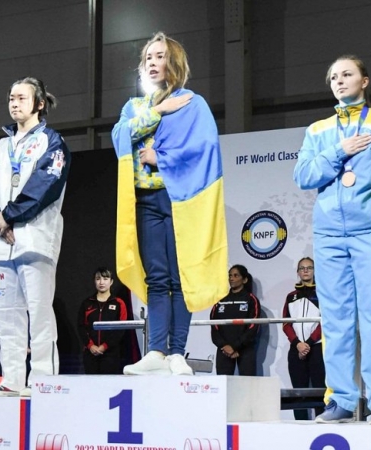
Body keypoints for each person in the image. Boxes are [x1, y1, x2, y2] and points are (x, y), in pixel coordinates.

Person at [293, 55, 371, 425]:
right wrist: (339, 150)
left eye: (347, 74)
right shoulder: (317, 131)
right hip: (328, 236)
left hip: (370, 233)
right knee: (336, 320)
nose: (339, 81)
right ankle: (341, 399)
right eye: (334, 77)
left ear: (365, 81)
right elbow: (303, 176)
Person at [111, 31, 228, 376]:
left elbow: (204, 149)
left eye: (159, 56)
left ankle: (177, 351)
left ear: (173, 62)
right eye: (148, 57)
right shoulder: (134, 107)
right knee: (157, 279)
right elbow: (120, 137)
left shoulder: (193, 103)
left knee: (180, 277)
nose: (152, 62)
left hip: (181, 200)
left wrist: (160, 158)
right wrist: (158, 111)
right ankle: (156, 351)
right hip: (145, 201)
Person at [0, 77, 71, 397]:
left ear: (39, 104)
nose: (14, 104)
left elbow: (45, 185)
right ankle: (12, 379)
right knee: (8, 318)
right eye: (11, 98)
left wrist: (9, 216)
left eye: (21, 98)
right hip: (0, 244)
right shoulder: (0, 148)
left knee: (40, 313)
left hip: (35, 240)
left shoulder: (52, 142)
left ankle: (42, 379)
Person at [281, 257, 325, 420]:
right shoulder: (291, 296)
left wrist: (308, 343)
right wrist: (297, 344)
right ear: (298, 272)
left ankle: (321, 423)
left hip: (317, 348)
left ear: (315, 271)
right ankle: (299, 426)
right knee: (298, 392)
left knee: (320, 391)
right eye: (302, 268)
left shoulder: (323, 294)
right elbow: (286, 324)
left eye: (309, 267)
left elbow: (326, 322)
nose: (306, 270)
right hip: (296, 349)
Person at [209, 265, 260, 376]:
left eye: (236, 276)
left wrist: (235, 346)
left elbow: (253, 326)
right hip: (224, 350)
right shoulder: (220, 300)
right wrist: (224, 346)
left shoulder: (251, 300)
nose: (231, 278)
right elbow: (214, 325)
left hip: (245, 349)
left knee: (247, 383)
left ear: (244, 280)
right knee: (223, 383)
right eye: (230, 276)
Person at [77, 267, 129, 374]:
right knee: (92, 382)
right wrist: (90, 345)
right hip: (90, 353)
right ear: (94, 281)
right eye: (98, 279)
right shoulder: (87, 303)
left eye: (105, 279)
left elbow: (121, 329)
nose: (101, 282)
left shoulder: (119, 303)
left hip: (111, 354)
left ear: (111, 281)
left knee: (108, 383)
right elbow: (81, 326)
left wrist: (105, 346)